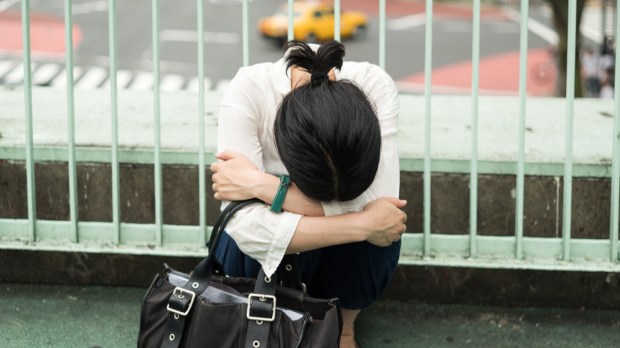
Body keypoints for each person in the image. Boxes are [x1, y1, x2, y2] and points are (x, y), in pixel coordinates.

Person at [209, 40, 406, 348]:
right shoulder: (249, 89)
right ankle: (267, 318)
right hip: (253, 264)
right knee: (374, 230)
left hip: (322, 249)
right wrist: (362, 224)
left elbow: (383, 206)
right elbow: (246, 227)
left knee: (381, 234)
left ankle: (343, 328)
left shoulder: (374, 86)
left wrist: (268, 187)